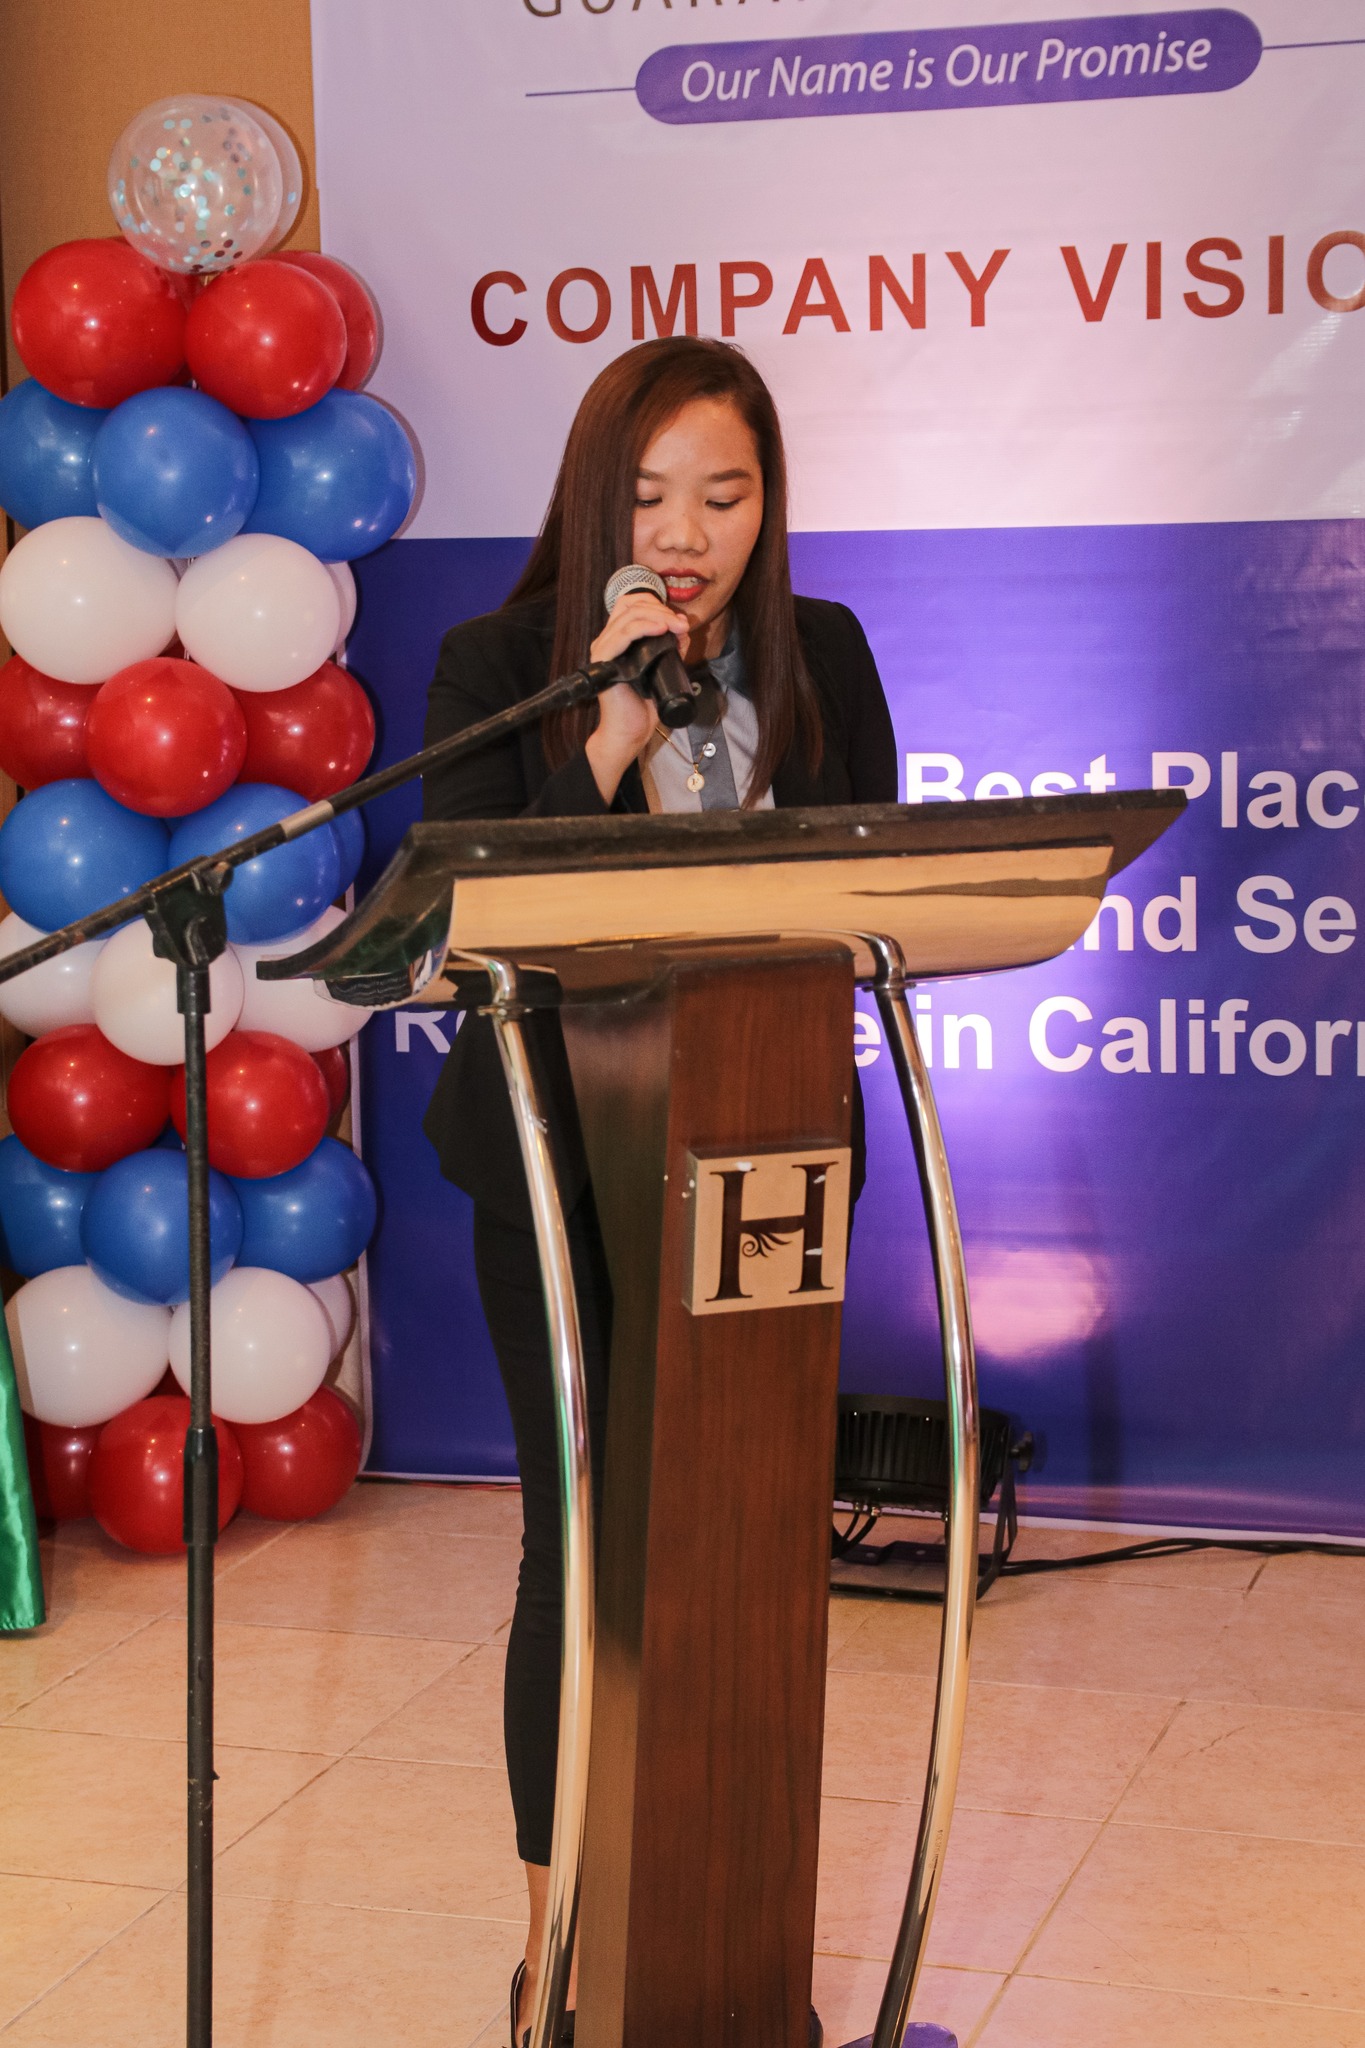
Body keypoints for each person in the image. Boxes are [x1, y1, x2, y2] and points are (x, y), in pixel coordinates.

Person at [421, 334, 897, 2046]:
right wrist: (611, 729)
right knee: (584, 1546)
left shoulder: (821, 654)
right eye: (648, 497)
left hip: (760, 1158)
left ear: (770, 507)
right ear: (591, 504)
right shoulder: (499, 663)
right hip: (554, 1157)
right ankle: (553, 1951)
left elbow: (870, 887)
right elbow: (472, 914)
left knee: (743, 1544)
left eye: (725, 493)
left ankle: (725, 1937)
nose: (687, 534)